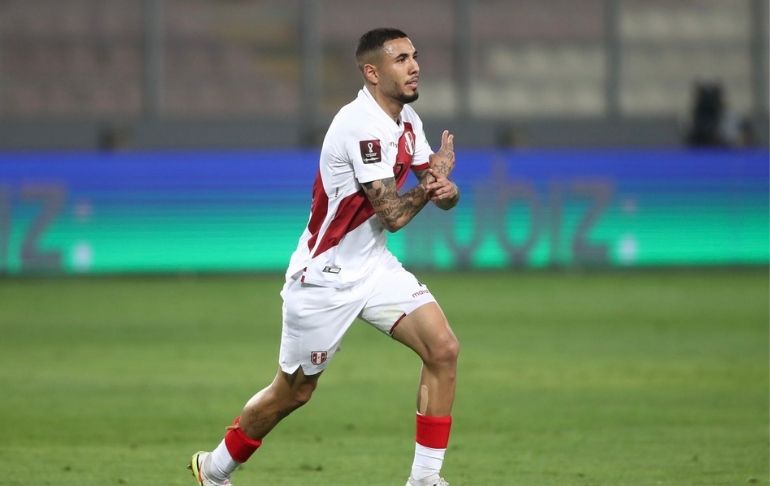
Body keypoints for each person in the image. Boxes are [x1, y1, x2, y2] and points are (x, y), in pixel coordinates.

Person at [188, 27, 460, 486]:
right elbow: (393, 213)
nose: (414, 66)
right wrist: (431, 189)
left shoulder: (407, 122)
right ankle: (214, 469)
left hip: (373, 267)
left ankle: (424, 481)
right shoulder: (359, 125)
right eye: (401, 59)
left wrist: (445, 189)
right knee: (292, 393)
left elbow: (436, 189)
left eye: (415, 56)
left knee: (443, 349)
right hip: (325, 277)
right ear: (372, 72)